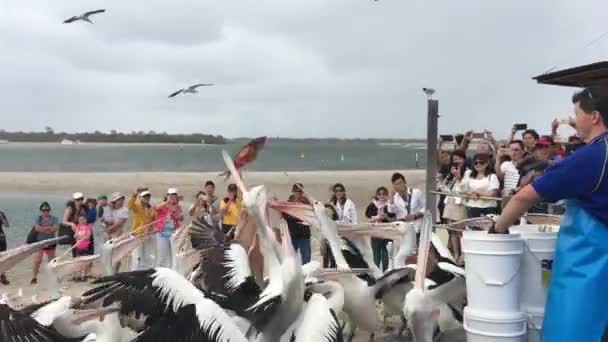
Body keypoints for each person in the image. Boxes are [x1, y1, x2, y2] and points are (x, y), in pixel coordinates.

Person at [492, 87, 608, 341]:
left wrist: (498, 228)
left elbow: (524, 196)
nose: (573, 121)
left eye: (576, 114)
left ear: (595, 116)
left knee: (571, 332)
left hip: (586, 267)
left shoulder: (590, 157)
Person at [441, 162, 468, 265]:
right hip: (449, 204)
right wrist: (441, 181)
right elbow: (446, 191)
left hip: (460, 205)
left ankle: (463, 254)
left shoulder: (465, 178)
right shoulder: (451, 179)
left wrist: (459, 177)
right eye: (452, 168)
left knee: (460, 231)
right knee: (452, 231)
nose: (454, 171)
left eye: (456, 168)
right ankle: (456, 254)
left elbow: (464, 189)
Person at [365, 186, 395, 271]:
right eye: (380, 194)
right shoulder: (372, 205)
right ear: (377, 195)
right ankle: (376, 272)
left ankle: (385, 271)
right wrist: (378, 217)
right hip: (375, 231)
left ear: (387, 195)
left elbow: (394, 219)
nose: (382, 196)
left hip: (387, 231)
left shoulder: (390, 206)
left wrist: (386, 217)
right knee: (376, 253)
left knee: (386, 252)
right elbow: (368, 217)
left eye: (384, 194)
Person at [154, 188, 184, 268]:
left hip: (174, 234)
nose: (172, 196)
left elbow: (180, 218)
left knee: (173, 256)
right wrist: (167, 202)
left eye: (174, 195)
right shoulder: (162, 204)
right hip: (162, 233)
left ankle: (172, 273)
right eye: (170, 195)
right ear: (167, 195)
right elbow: (156, 208)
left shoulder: (178, 207)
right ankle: (159, 272)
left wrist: (174, 214)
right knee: (162, 256)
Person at [31, 202, 59, 284]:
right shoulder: (38, 218)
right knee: (37, 261)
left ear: (50, 210)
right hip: (40, 243)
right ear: (41, 210)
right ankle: (34, 277)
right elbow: (37, 229)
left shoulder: (54, 218)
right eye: (44, 210)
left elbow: (55, 228)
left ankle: (53, 278)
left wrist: (43, 228)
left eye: (47, 210)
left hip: (51, 243)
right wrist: (48, 228)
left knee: (51, 262)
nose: (46, 212)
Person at [283, 183, 312, 264]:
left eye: (300, 191)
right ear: (293, 191)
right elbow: (284, 216)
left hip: (304, 235)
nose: (298, 193)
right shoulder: (288, 203)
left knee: (306, 258)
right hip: (293, 235)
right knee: (291, 258)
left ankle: (306, 274)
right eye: (296, 191)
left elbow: (309, 216)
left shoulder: (306, 203)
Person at [128, 188, 155, 271]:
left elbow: (153, 221)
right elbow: (130, 205)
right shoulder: (137, 206)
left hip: (147, 235)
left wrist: (150, 230)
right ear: (140, 197)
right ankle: (134, 275)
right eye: (144, 197)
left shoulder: (151, 209)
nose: (147, 198)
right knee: (137, 257)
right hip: (137, 235)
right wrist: (134, 195)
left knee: (147, 256)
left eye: (148, 197)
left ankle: (143, 275)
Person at [59, 192, 87, 257]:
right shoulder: (70, 208)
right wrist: (71, 224)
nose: (80, 201)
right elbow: (64, 221)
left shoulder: (83, 208)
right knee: (74, 246)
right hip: (68, 229)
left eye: (81, 199)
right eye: (78, 200)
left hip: (77, 228)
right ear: (74, 200)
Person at [73, 214, 93, 281]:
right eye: (80, 220)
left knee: (84, 261)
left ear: (86, 219)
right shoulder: (77, 227)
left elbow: (88, 237)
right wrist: (82, 237)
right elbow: (75, 236)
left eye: (83, 219)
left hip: (86, 247)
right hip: (78, 247)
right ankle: (79, 275)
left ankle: (83, 275)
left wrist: (81, 237)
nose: (82, 221)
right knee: (79, 261)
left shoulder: (88, 226)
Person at [0, 210, 10, 285]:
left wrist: (2, 218)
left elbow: (7, 225)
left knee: (2, 259)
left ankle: (2, 277)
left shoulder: (1, 213)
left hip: (1, 239)